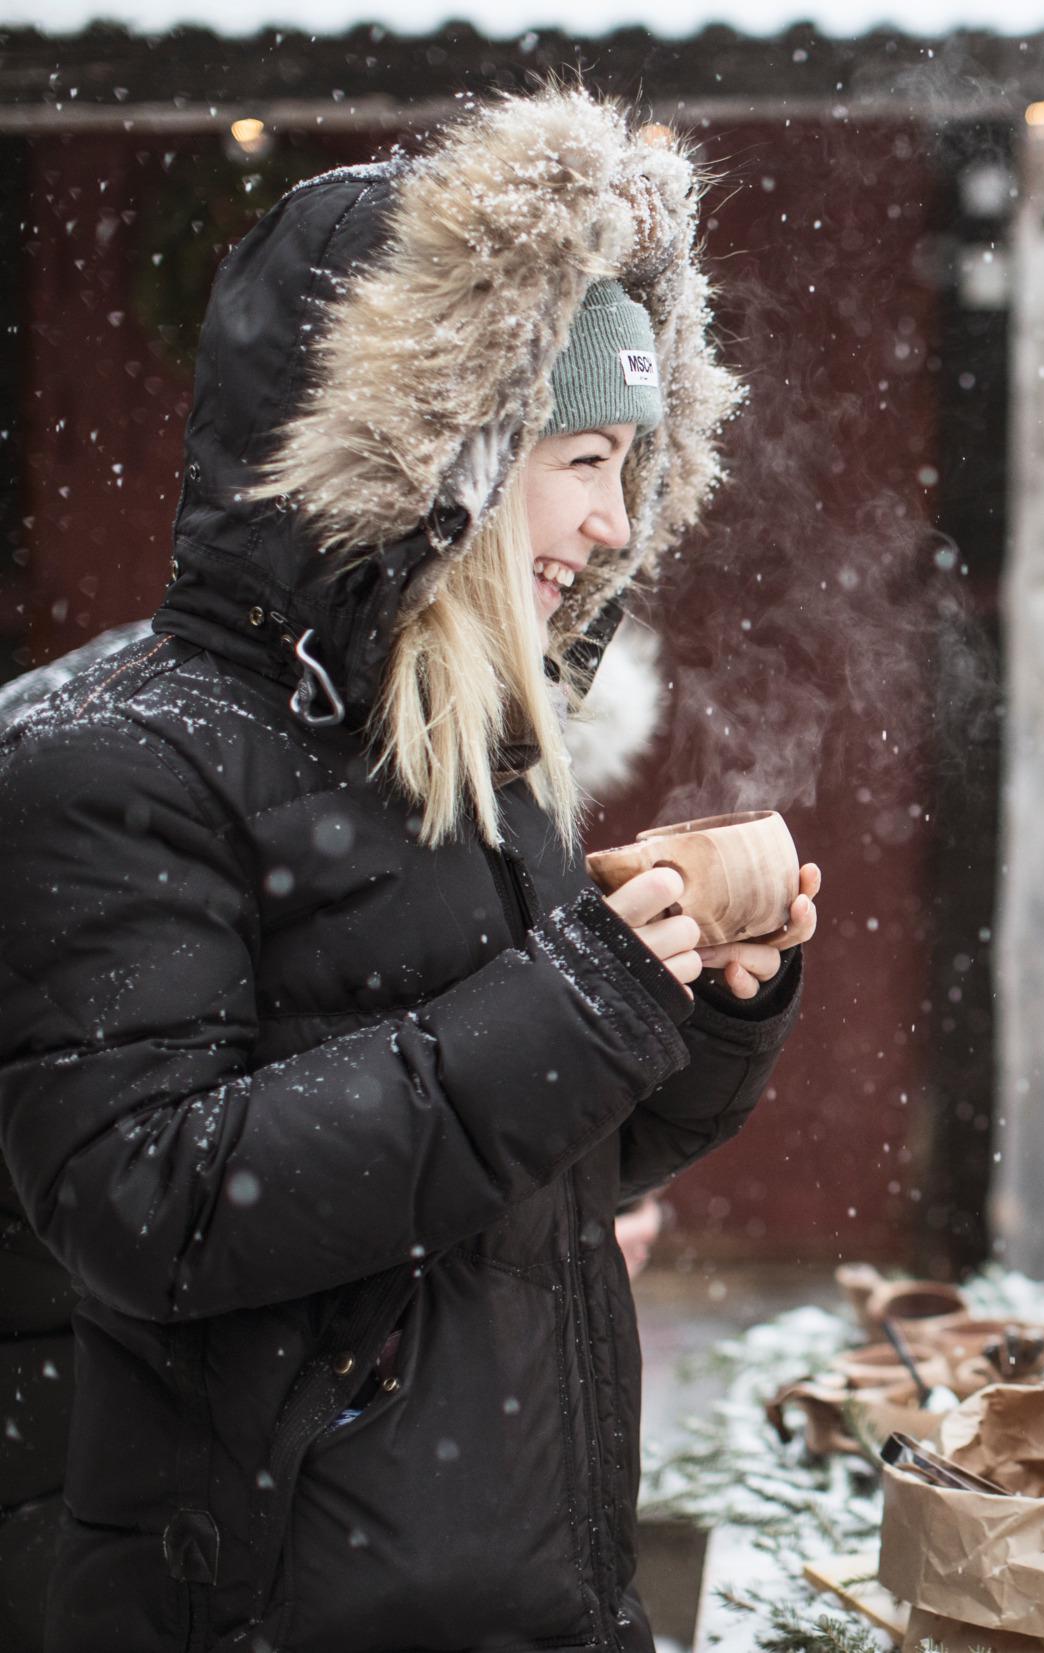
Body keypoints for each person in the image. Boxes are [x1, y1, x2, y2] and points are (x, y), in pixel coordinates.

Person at [0, 89, 817, 1652]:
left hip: (531, 1596)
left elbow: (528, 1181)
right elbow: (150, 1201)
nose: (615, 520)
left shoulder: (462, 761)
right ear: (454, 454)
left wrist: (703, 1011)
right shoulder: (120, 767)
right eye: (585, 458)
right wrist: (572, 1007)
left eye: (633, 467)